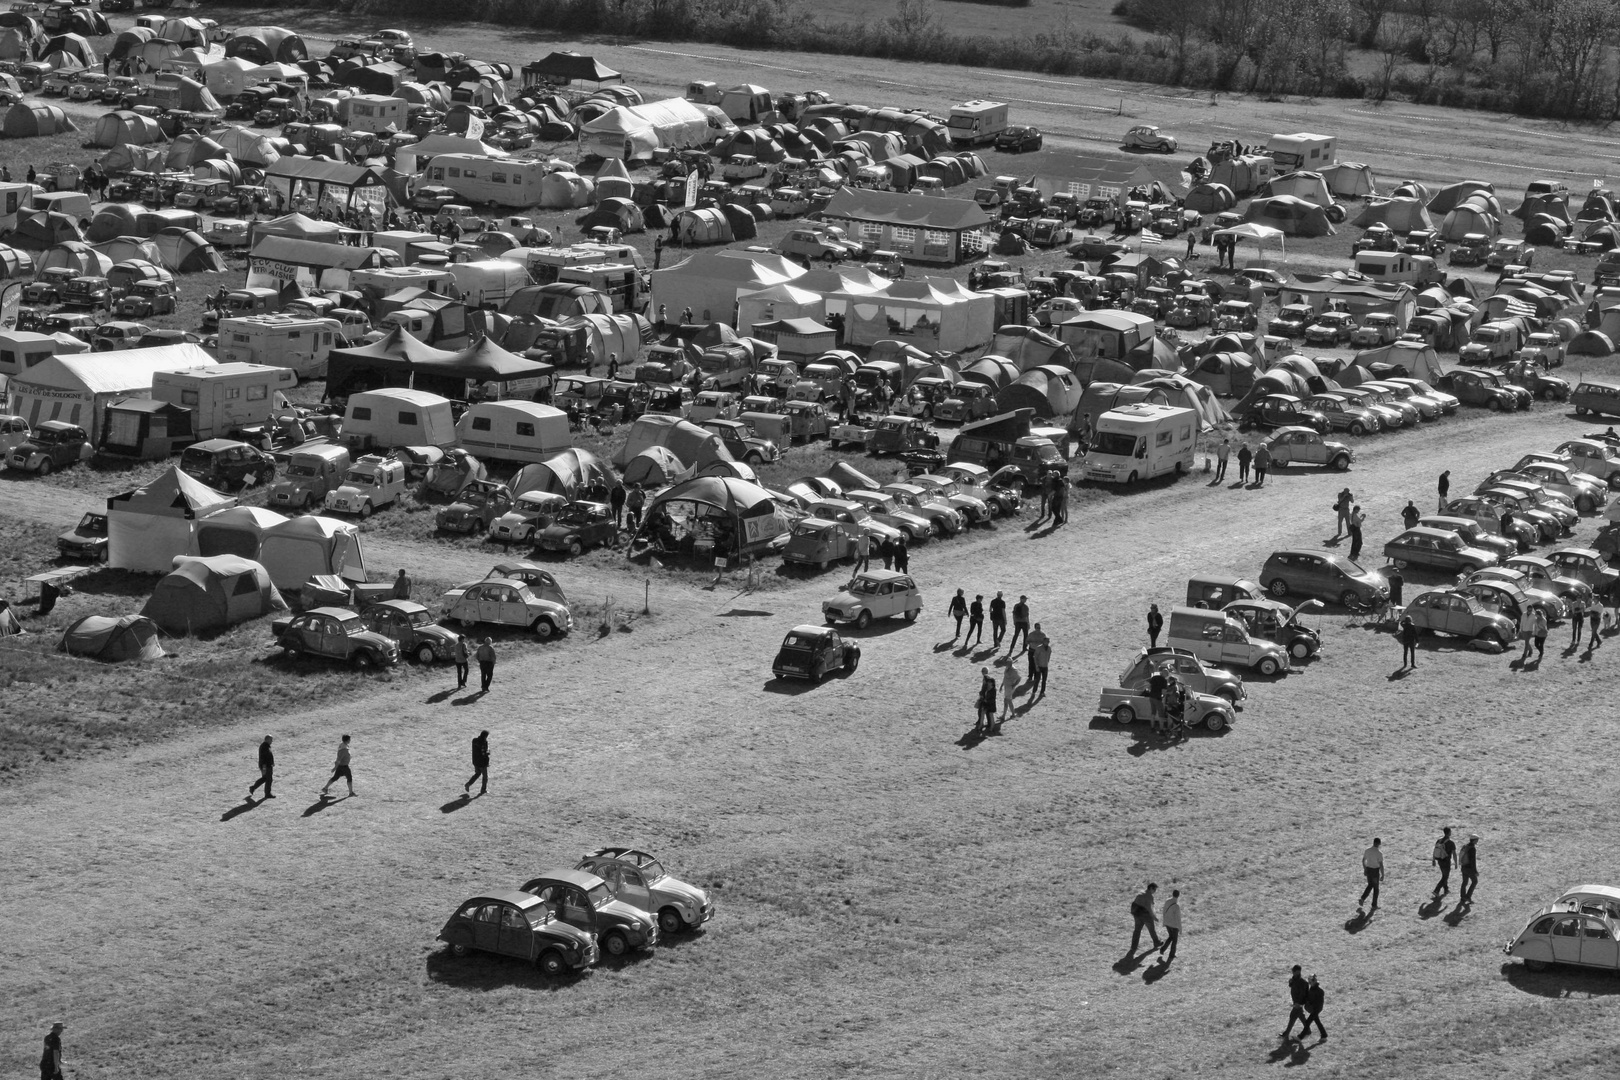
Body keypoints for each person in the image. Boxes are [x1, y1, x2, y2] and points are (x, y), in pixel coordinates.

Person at [1129, 883, 1161, 953]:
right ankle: (1156, 942)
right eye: (1154, 889)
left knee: (1137, 930)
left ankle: (1133, 947)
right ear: (1151, 888)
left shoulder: (1140, 893)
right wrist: (1154, 917)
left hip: (1137, 915)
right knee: (1151, 930)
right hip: (1146, 916)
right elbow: (1150, 908)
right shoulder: (1149, 896)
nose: (1155, 891)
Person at [1281, 966, 1310, 1040]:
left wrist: (1298, 1003)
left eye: (1294, 972)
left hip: (1298, 1003)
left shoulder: (1302, 982)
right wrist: (1290, 983)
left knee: (1292, 1017)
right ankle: (1308, 1030)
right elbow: (1292, 986)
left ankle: (1286, 1033)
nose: (1293, 973)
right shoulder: (1294, 979)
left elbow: (1302, 994)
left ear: (1298, 972)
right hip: (1296, 1002)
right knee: (1301, 1016)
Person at [1359, 837, 1384, 911]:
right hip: (1375, 871)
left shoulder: (1367, 851)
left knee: (1370, 885)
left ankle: (1362, 898)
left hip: (1368, 870)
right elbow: (1381, 865)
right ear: (1379, 844)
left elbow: (1363, 860)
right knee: (1376, 888)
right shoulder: (1379, 853)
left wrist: (1365, 869)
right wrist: (1382, 874)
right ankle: (1374, 905)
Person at [1432, 826, 1456, 898]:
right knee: (1445, 877)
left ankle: (1446, 889)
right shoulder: (1451, 843)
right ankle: (1436, 890)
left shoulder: (1439, 840)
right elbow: (1454, 853)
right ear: (1449, 833)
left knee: (1444, 875)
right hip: (1446, 861)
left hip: (1439, 861)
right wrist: (1456, 863)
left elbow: (1435, 850)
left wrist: (1433, 860)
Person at [248, 735, 275, 800]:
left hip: (266, 765)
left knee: (265, 778)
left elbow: (268, 756)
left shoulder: (265, 746)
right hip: (266, 766)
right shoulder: (265, 747)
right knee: (268, 779)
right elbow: (265, 758)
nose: (272, 741)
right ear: (267, 740)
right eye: (271, 740)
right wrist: (265, 767)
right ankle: (267, 794)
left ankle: (253, 788)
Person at [1302, 976, 1327, 1040]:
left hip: (1316, 1009)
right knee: (1317, 1022)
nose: (1310, 983)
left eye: (1311, 982)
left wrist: (1311, 1004)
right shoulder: (1312, 988)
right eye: (1309, 982)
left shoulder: (1319, 991)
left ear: (1314, 981)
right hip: (1314, 1009)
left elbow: (1318, 1002)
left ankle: (1301, 1036)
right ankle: (1324, 1035)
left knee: (1307, 1022)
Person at [465, 730, 489, 795]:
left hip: (475, 761)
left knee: (478, 773)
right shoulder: (483, 742)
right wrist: (488, 753)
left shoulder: (474, 740)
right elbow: (484, 753)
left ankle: (468, 784)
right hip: (482, 763)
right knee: (485, 777)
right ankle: (483, 790)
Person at [1159, 889, 1181, 960]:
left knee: (1171, 937)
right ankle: (1171, 955)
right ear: (1178, 896)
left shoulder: (1167, 901)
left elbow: (1164, 911)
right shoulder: (1177, 906)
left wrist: (1164, 922)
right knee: (1174, 941)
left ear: (1172, 894)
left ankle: (1162, 949)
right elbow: (1178, 918)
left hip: (1167, 923)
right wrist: (1180, 929)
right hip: (1174, 925)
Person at [975, 667, 997, 734]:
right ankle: (981, 725)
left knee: (990, 715)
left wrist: (985, 699)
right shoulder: (989, 688)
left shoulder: (992, 689)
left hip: (990, 704)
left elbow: (992, 698)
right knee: (982, 712)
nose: (988, 683)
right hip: (986, 702)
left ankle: (990, 726)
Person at [1459, 834, 1479, 903]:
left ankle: (1462, 897)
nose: (1477, 841)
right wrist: (1475, 871)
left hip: (1463, 867)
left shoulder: (1465, 846)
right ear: (1474, 840)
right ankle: (1468, 896)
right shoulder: (1472, 848)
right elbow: (1472, 861)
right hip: (1469, 868)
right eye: (1477, 840)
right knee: (1475, 881)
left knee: (1464, 882)